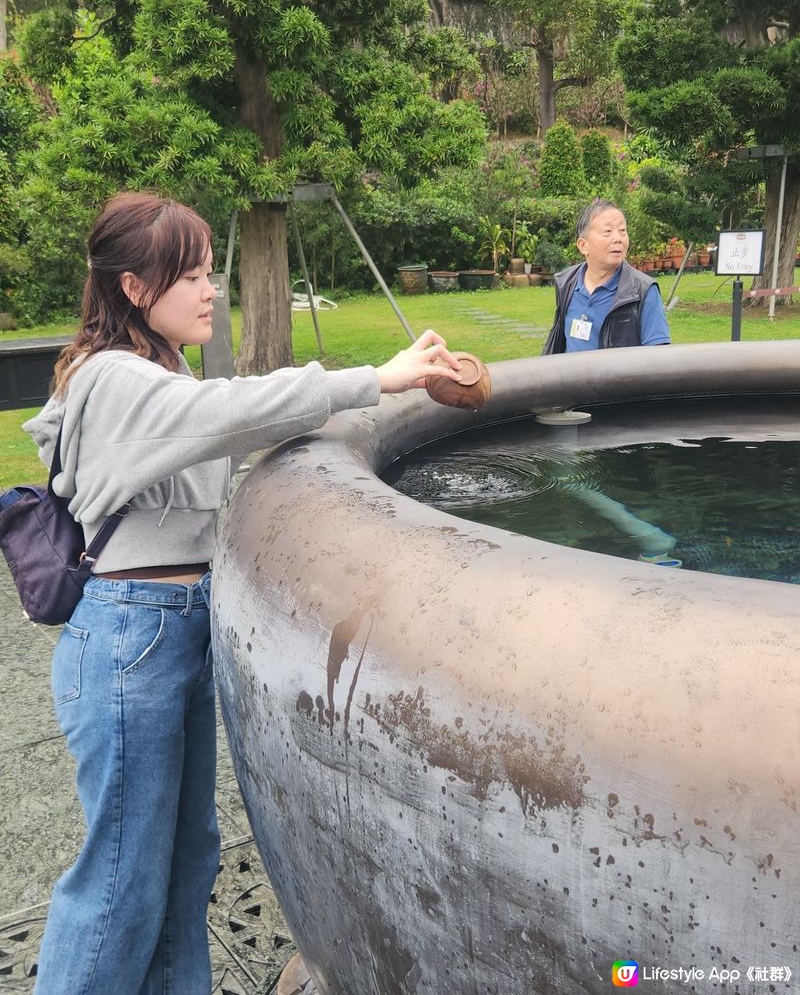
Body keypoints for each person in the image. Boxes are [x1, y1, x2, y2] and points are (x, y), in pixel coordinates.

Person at [24, 190, 463, 995]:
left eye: (207, 272)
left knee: (187, 858)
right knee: (120, 878)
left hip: (168, 632)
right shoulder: (117, 379)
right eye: (188, 275)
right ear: (133, 288)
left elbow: (222, 416)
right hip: (131, 638)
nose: (208, 290)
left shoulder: (157, 367)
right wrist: (377, 379)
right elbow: (233, 410)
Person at [542, 199, 671, 354]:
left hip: (618, 378)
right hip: (574, 378)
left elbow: (658, 357)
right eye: (607, 232)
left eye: (622, 231)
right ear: (583, 245)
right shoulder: (567, 283)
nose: (618, 238)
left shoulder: (643, 291)